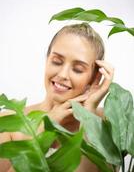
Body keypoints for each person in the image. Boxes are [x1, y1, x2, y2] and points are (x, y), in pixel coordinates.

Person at [0, 23, 114, 172]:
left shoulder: (107, 123)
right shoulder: (9, 123)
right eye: (57, 61)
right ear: (46, 60)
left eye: (78, 69)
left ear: (94, 77)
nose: (62, 75)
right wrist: (46, 131)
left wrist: (88, 115)